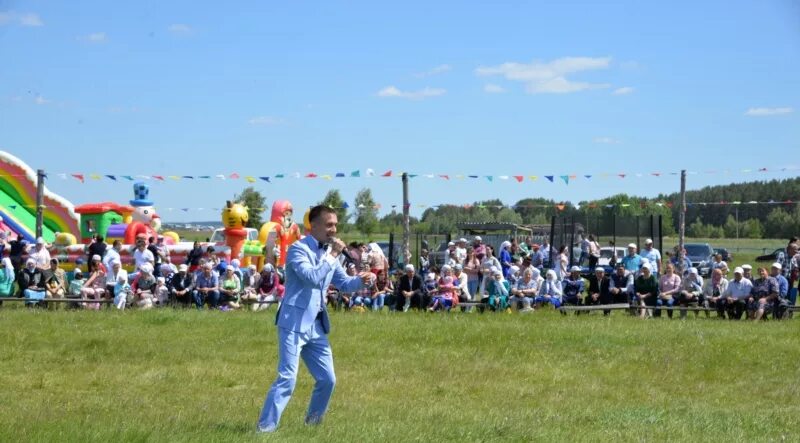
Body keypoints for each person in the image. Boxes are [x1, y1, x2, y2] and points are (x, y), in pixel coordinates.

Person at [257, 205, 371, 433]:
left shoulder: (329, 254)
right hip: (293, 322)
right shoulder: (298, 250)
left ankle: (312, 426)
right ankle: (265, 430)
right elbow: (310, 277)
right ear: (314, 225)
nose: (334, 229)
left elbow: (344, 283)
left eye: (335, 225)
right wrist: (334, 255)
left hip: (317, 326)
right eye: (329, 224)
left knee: (328, 379)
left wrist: (362, 280)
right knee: (287, 379)